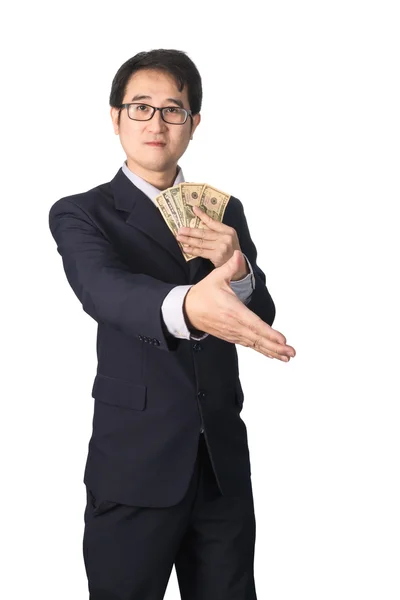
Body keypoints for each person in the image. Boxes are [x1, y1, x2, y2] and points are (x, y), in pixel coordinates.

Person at [48, 49, 296, 600]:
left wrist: (239, 271)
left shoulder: (224, 212)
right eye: (140, 107)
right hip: (135, 467)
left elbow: (261, 316)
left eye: (172, 110)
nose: (156, 123)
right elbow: (103, 291)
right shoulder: (82, 212)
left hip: (221, 468)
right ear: (115, 118)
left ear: (194, 124)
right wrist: (187, 306)